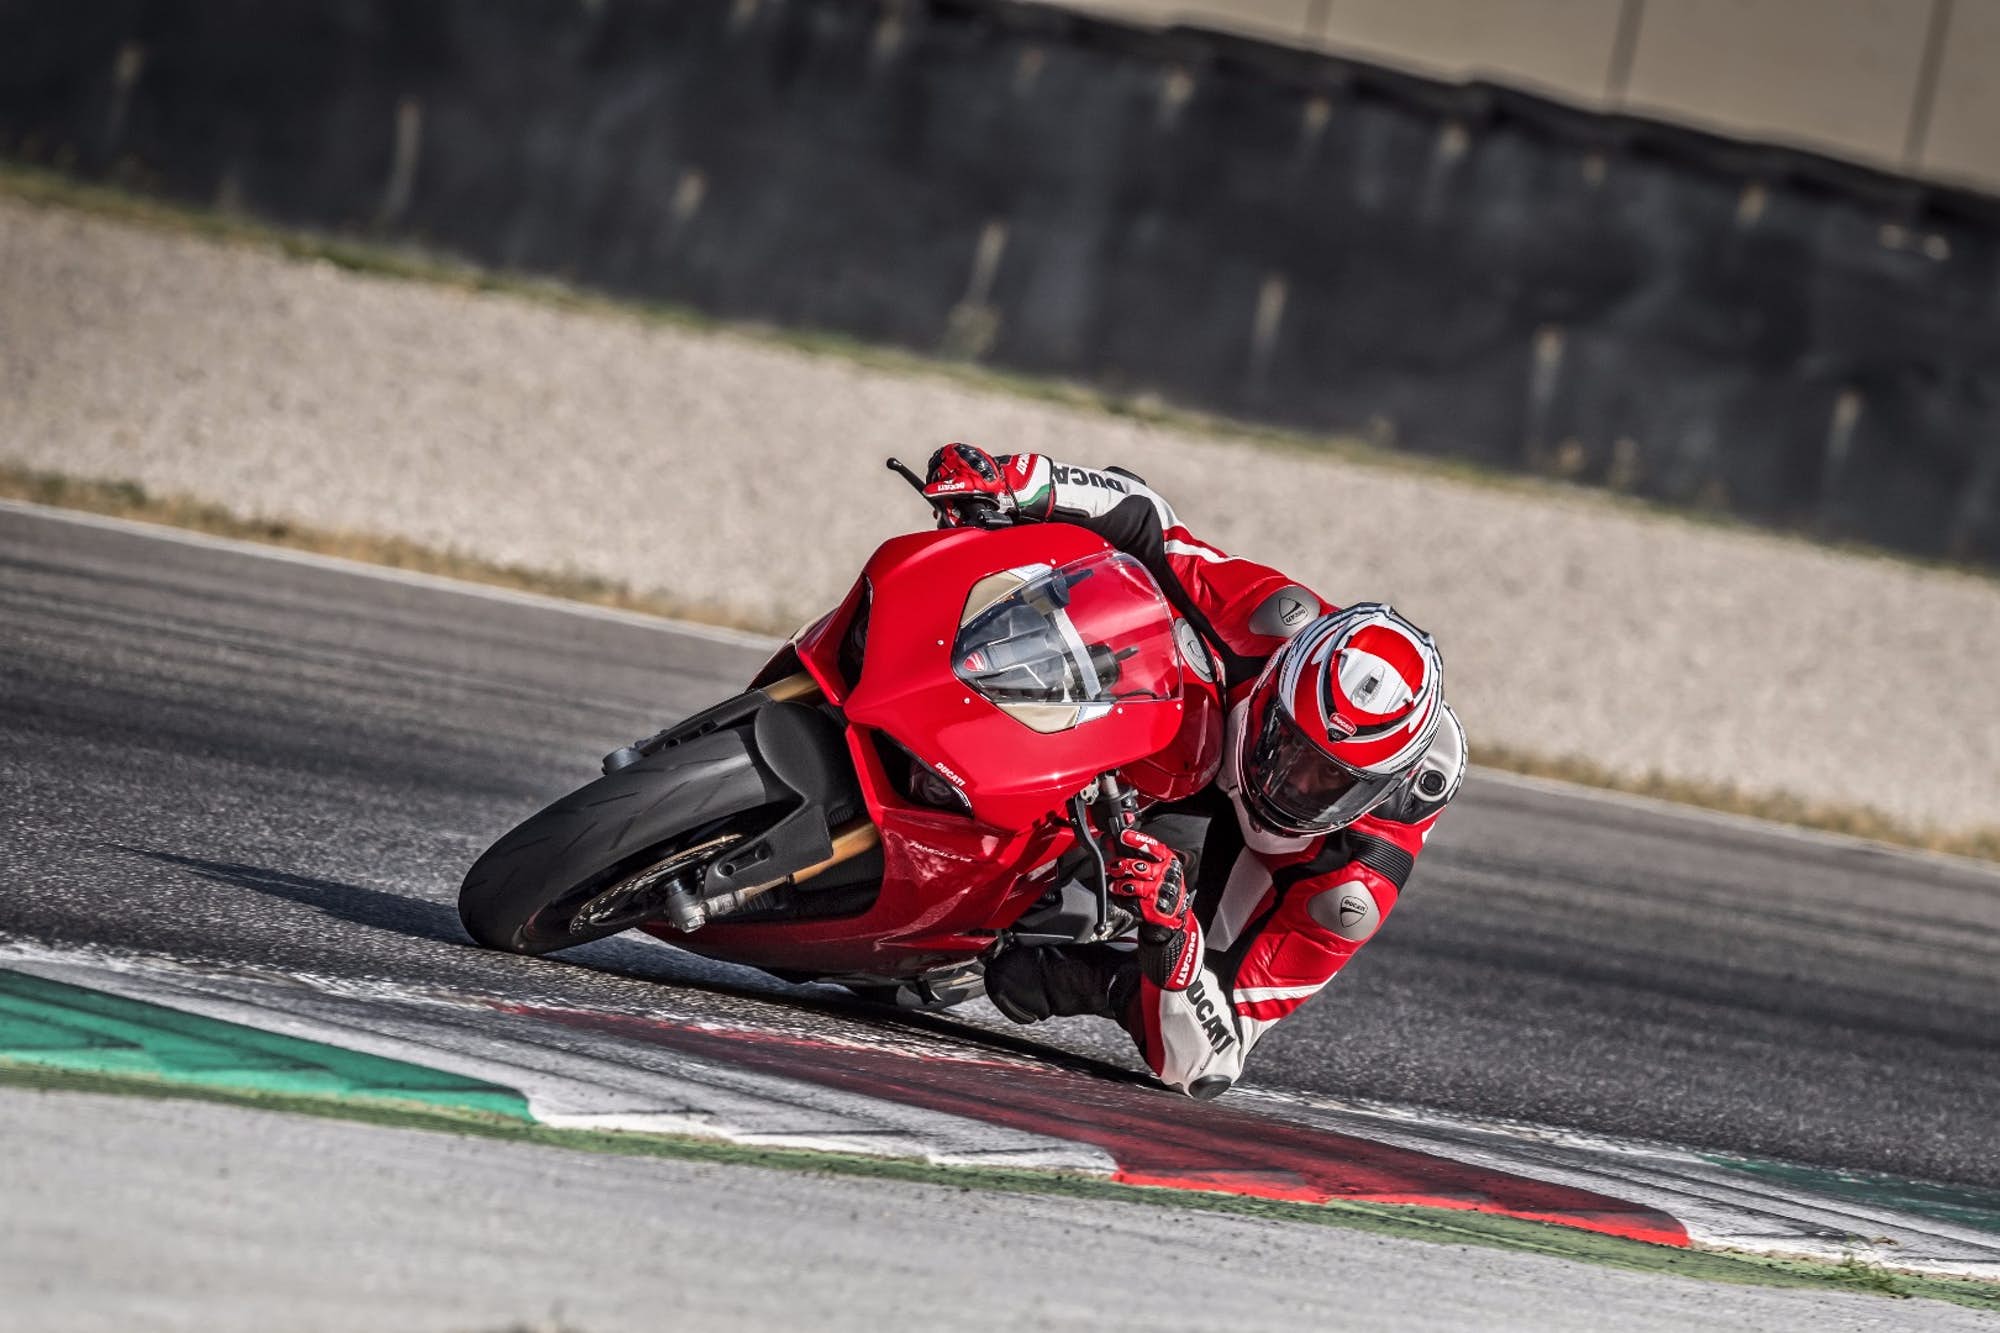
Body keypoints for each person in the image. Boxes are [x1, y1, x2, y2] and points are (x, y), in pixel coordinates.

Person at [921, 443, 1467, 1100]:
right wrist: (1015, 482)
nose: (1294, 783)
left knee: (1059, 979)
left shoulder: (1352, 884)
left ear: (1377, 789)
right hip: (1213, 742)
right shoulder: (1271, 625)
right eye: (1291, 747)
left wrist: (1173, 933)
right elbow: (1149, 521)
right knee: (1130, 621)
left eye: (1331, 780)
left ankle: (1094, 965)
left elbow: (1215, 1060)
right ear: (1278, 683)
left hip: (1260, 862)